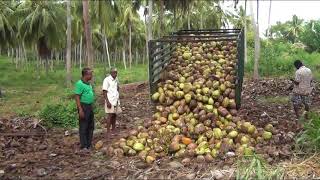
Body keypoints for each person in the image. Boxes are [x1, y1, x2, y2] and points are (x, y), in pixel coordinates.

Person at [74, 68, 95, 151]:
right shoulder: (79, 84)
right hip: (84, 106)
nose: (91, 76)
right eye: (90, 74)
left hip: (89, 106)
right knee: (83, 126)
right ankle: (84, 146)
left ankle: (89, 144)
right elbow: (77, 97)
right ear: (85, 75)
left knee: (91, 125)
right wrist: (80, 109)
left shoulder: (88, 83)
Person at [103, 68, 120, 136]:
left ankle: (113, 129)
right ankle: (108, 131)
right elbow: (104, 91)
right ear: (111, 73)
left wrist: (118, 95)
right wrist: (107, 102)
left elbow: (118, 87)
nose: (115, 74)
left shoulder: (116, 79)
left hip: (116, 100)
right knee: (110, 115)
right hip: (110, 100)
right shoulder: (107, 80)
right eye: (114, 73)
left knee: (115, 115)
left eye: (116, 72)